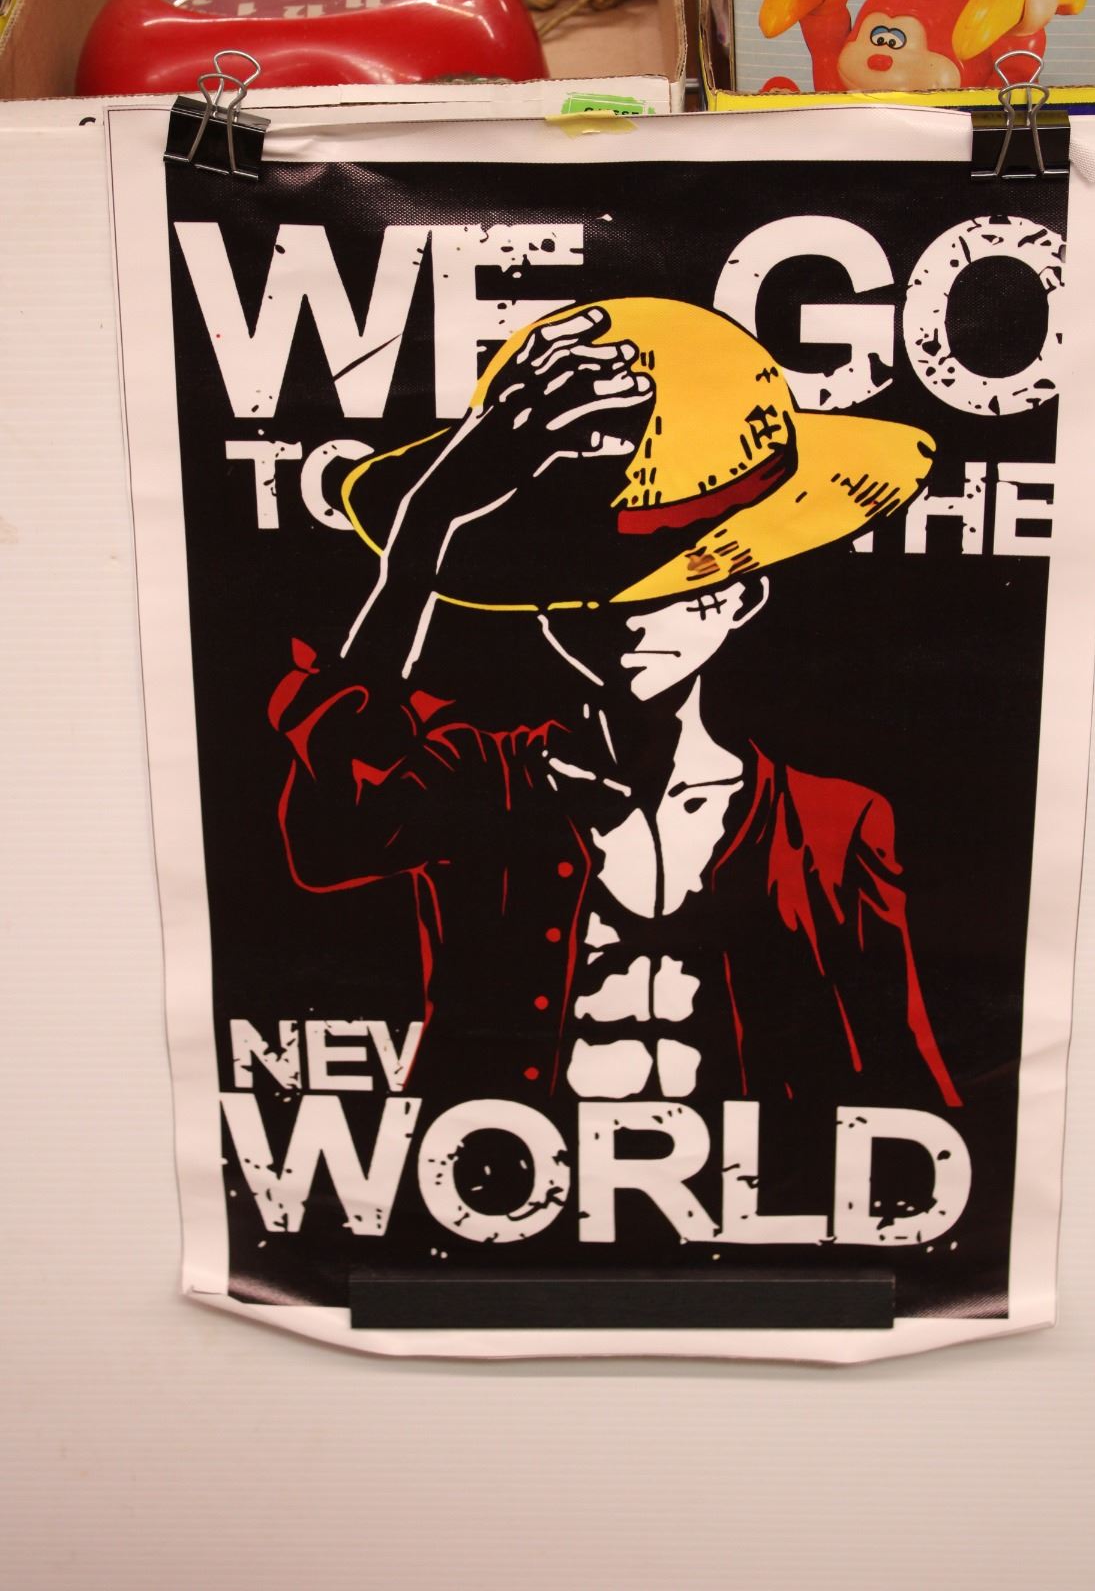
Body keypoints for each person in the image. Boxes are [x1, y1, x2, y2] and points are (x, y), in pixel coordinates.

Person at [270, 297, 960, 1113]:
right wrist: (429, 526)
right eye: (589, 592)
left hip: (754, 1187)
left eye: (679, 583)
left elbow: (898, 1071)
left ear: (744, 597)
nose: (630, 620)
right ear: (544, 612)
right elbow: (326, 842)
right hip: (489, 1181)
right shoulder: (479, 781)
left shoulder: (833, 828)